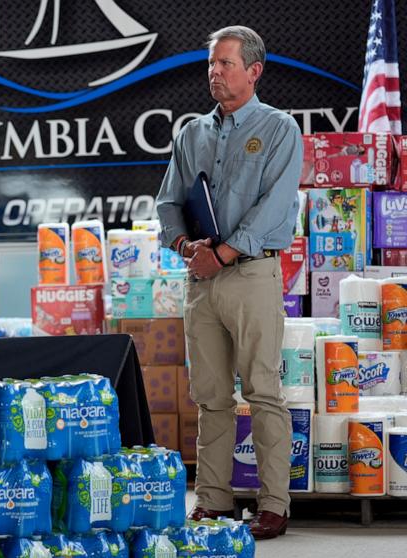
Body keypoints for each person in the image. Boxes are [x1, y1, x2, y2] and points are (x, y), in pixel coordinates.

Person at [155, 26, 302, 540]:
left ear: (254, 71)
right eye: (212, 64)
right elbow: (167, 202)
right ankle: (213, 502)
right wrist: (184, 246)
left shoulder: (280, 129)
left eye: (226, 64)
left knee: (263, 391)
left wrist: (222, 252)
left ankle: (274, 506)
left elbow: (274, 207)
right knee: (210, 395)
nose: (215, 72)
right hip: (202, 280)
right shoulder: (190, 132)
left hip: (253, 274)